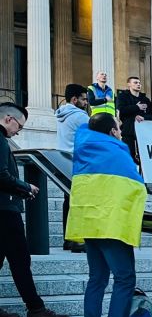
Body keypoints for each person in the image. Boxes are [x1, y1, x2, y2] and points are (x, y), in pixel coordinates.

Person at [66, 113, 147, 317]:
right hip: (111, 225)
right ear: (112, 132)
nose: (121, 132)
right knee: (124, 279)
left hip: (89, 223)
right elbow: (135, 186)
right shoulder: (117, 151)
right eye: (119, 128)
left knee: (97, 280)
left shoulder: (83, 148)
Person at [0, 103, 71, 317]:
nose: (18, 132)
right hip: (4, 211)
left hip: (4, 207)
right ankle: (36, 309)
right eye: (19, 126)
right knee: (21, 260)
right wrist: (25, 187)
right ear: (8, 119)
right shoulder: (0, 139)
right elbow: (1, 175)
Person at [56, 83, 91, 253]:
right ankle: (78, 241)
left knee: (68, 202)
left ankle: (68, 240)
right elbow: (92, 139)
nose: (86, 103)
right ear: (74, 99)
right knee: (79, 202)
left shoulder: (61, 115)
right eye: (83, 99)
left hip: (64, 162)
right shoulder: (80, 117)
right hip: (79, 163)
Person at [115, 76, 152, 164]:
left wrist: (144, 118)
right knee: (128, 157)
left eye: (139, 83)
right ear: (129, 84)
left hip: (143, 133)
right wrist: (137, 107)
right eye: (135, 82)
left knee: (144, 158)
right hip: (128, 131)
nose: (138, 84)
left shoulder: (145, 99)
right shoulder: (122, 96)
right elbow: (121, 110)